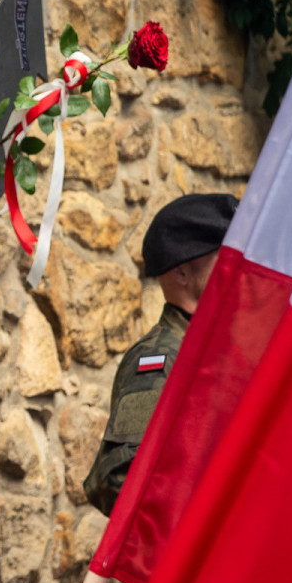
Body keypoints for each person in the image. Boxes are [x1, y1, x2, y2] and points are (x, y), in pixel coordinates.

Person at [83, 193, 238, 516]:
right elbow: (118, 480)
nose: (236, 268)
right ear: (181, 274)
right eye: (223, 258)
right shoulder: (159, 361)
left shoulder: (219, 354)